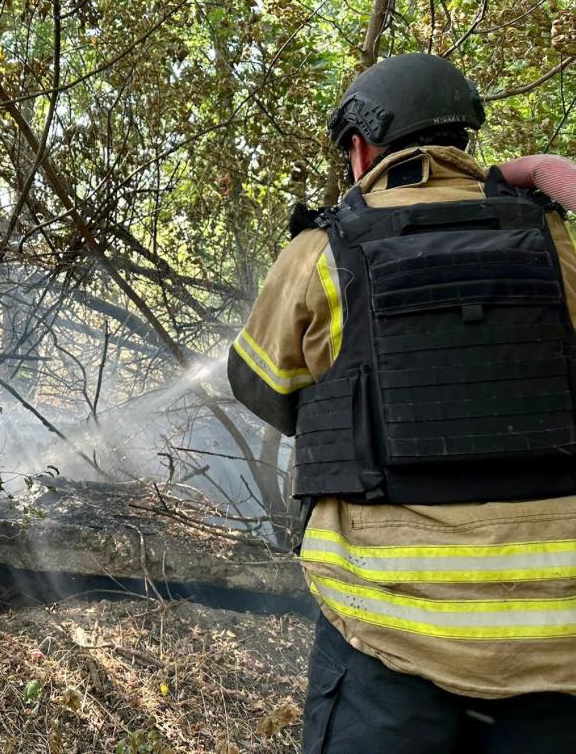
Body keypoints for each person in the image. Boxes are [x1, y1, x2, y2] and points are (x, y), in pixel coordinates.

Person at [228, 53, 576, 753]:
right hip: (557, 650)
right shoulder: (553, 242)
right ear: (464, 143)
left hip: (386, 639)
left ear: (360, 149)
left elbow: (261, 387)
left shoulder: (323, 250)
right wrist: (549, 174)